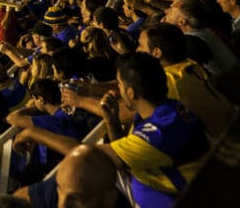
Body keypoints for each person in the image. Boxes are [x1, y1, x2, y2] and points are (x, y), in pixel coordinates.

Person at [16, 53, 208, 208]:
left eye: (119, 84)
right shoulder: (166, 108)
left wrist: (33, 132)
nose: (118, 90)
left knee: (67, 180)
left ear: (131, 93)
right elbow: (123, 158)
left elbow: (89, 156)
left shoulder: (158, 133)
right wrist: (112, 121)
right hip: (145, 182)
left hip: (171, 198)